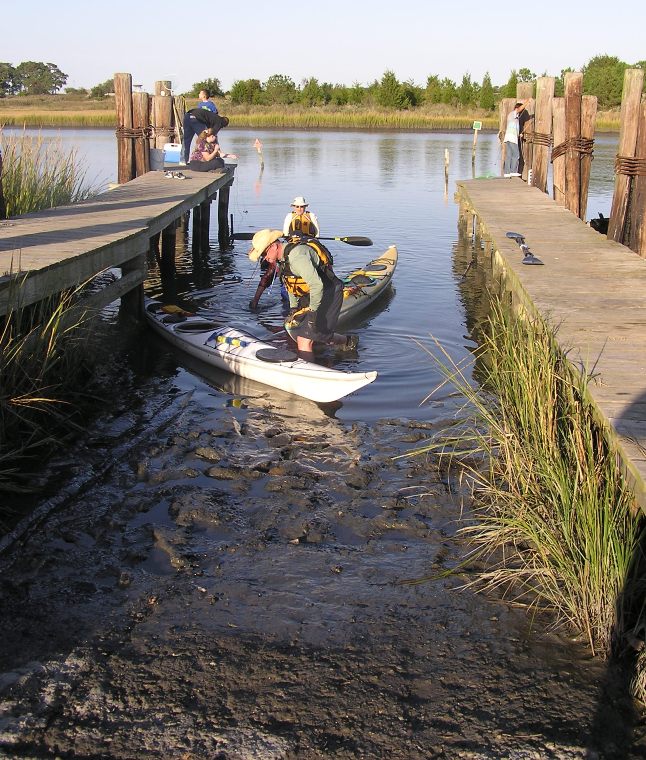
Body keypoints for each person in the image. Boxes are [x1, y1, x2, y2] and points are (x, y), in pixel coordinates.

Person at [247, 229, 358, 361]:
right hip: (312, 294)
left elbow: (317, 285)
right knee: (316, 335)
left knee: (304, 340)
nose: (264, 258)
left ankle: (310, 373)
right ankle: (349, 342)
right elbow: (291, 285)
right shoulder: (282, 260)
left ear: (275, 246)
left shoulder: (297, 257)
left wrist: (312, 312)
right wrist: (293, 309)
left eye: (264, 253)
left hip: (329, 292)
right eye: (261, 256)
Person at [502, 102, 525, 177]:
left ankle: (507, 173)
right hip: (511, 139)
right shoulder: (513, 114)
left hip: (509, 138)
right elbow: (520, 108)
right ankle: (512, 171)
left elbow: (514, 130)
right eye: (521, 110)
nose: (521, 112)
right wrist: (528, 101)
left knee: (509, 155)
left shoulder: (515, 118)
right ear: (516, 108)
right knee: (516, 155)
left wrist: (519, 135)